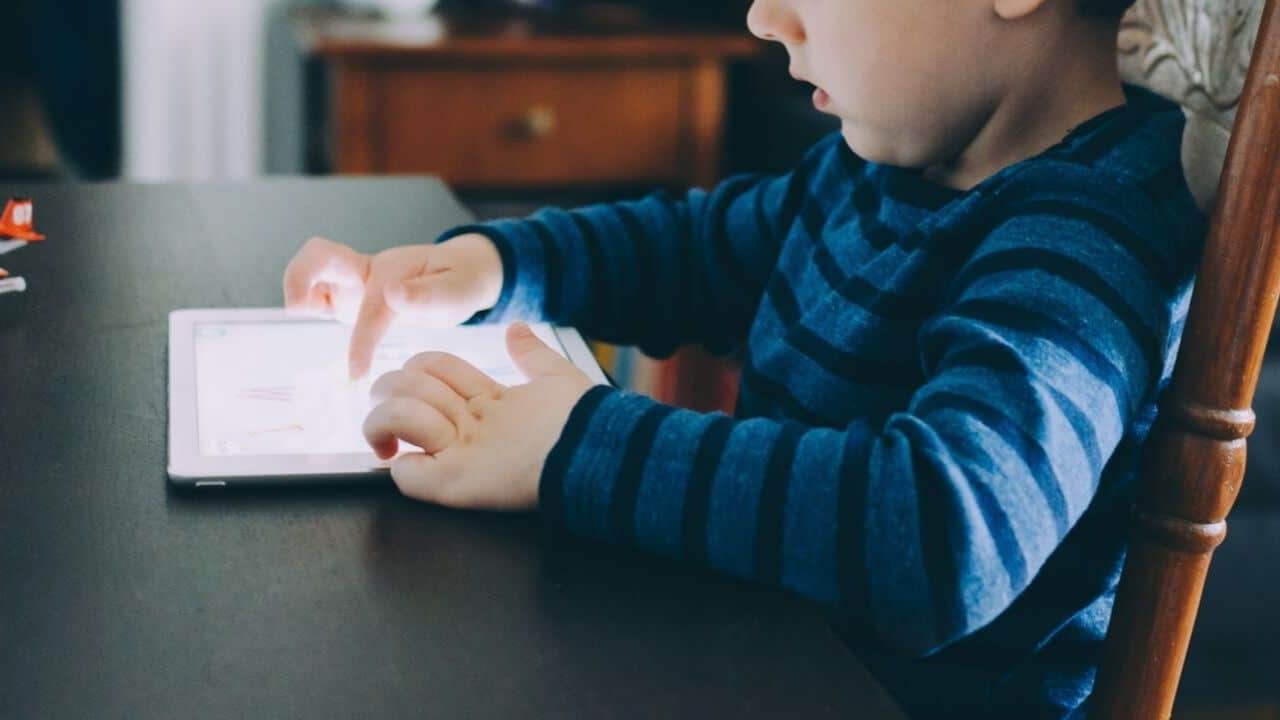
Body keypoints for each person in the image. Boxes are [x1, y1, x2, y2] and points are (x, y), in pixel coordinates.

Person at [282, 0, 1205, 715]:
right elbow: (694, 250)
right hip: (762, 658)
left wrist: (574, 440)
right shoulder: (882, 168)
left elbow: (944, 533)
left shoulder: (1087, 236)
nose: (765, 17)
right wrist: (491, 266)